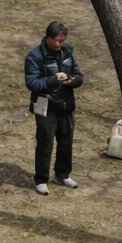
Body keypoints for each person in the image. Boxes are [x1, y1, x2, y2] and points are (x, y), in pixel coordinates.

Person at [24, 21, 82, 194]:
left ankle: (62, 175)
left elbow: (78, 75)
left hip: (66, 104)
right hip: (45, 106)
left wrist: (72, 81)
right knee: (45, 142)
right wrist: (53, 80)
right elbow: (32, 83)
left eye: (61, 41)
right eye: (54, 40)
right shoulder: (35, 56)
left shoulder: (68, 52)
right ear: (47, 37)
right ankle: (41, 179)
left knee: (66, 142)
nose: (57, 44)